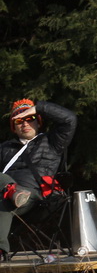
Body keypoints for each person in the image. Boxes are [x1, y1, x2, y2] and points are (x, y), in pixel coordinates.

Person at [0, 99, 76, 259]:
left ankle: (13, 193)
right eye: (19, 121)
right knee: (4, 198)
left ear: (38, 121)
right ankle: (11, 190)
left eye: (29, 118)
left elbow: (69, 119)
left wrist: (38, 108)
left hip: (35, 195)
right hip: (6, 196)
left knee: (4, 201)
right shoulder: (4, 148)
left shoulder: (51, 142)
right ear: (14, 127)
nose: (25, 123)